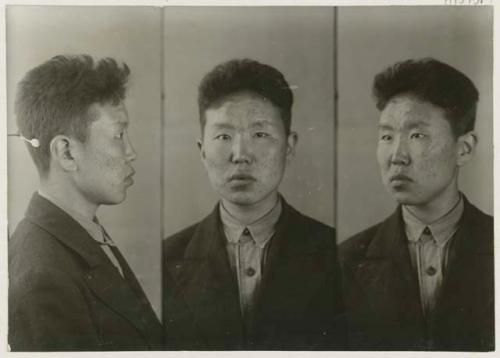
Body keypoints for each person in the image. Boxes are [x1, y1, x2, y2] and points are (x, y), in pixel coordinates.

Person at [162, 59, 346, 350]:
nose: (240, 154)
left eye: (260, 134)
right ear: (202, 151)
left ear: (289, 146)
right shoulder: (165, 260)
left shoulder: (339, 255)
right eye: (223, 136)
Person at [8, 55, 162, 351]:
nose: (131, 152)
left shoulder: (79, 234)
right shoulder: (43, 276)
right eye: (118, 135)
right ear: (66, 153)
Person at [339, 58, 494, 351]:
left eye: (417, 135)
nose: (397, 155)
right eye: (387, 136)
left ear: (464, 148)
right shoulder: (344, 262)